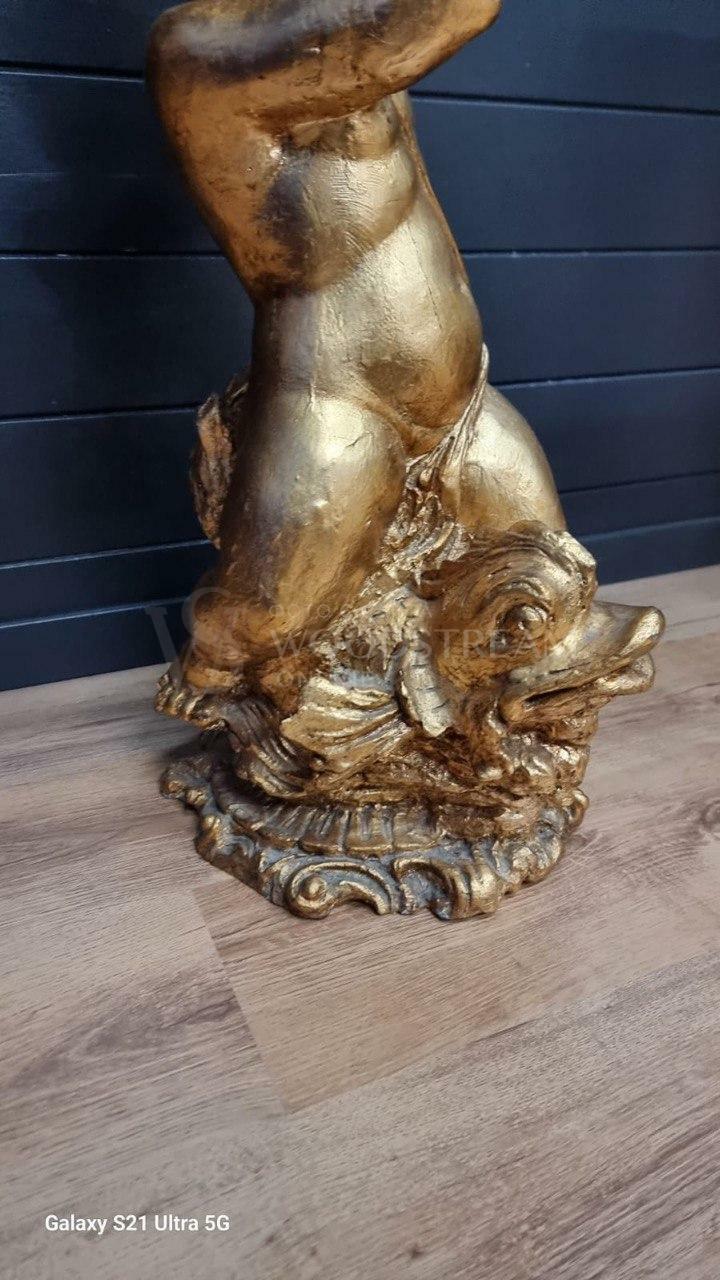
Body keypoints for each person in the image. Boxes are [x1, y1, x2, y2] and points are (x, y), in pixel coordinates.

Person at [148, 0, 564, 695]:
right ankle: (248, 705)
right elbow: (431, 18)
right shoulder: (198, 49)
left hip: (459, 403)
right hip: (340, 407)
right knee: (254, 628)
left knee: (551, 576)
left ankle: (463, 704)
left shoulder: (338, 36)